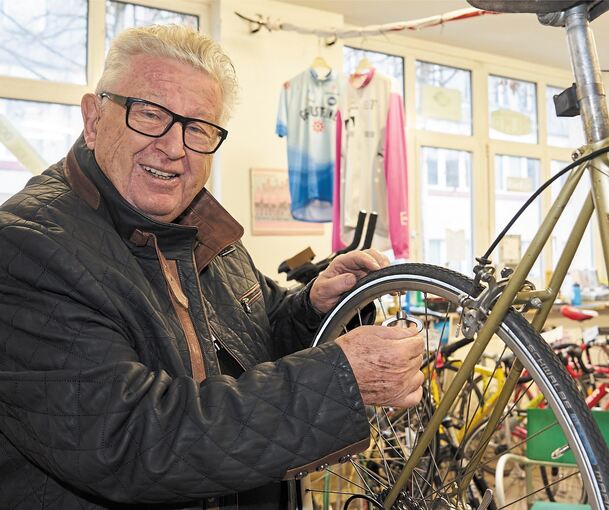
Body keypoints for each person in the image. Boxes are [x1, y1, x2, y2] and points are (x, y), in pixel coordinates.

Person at [0, 25, 424, 509]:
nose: (174, 146)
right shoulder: (26, 247)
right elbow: (133, 441)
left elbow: (256, 339)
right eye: (150, 114)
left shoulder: (200, 227)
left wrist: (313, 307)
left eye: (198, 128)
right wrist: (341, 379)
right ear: (94, 119)